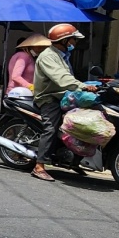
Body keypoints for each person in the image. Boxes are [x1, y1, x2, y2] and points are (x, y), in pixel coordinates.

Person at [30, 23, 85, 182]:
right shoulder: (48, 56)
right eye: (73, 40)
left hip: (64, 96)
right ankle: (39, 166)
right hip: (49, 98)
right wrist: (82, 86)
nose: (75, 43)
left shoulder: (62, 55)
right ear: (65, 41)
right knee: (51, 128)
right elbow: (61, 79)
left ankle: (74, 159)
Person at [5, 33, 50, 98]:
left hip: (24, 93)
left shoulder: (28, 56)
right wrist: (30, 86)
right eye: (39, 47)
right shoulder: (23, 56)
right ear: (30, 46)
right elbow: (15, 76)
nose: (41, 49)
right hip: (18, 94)